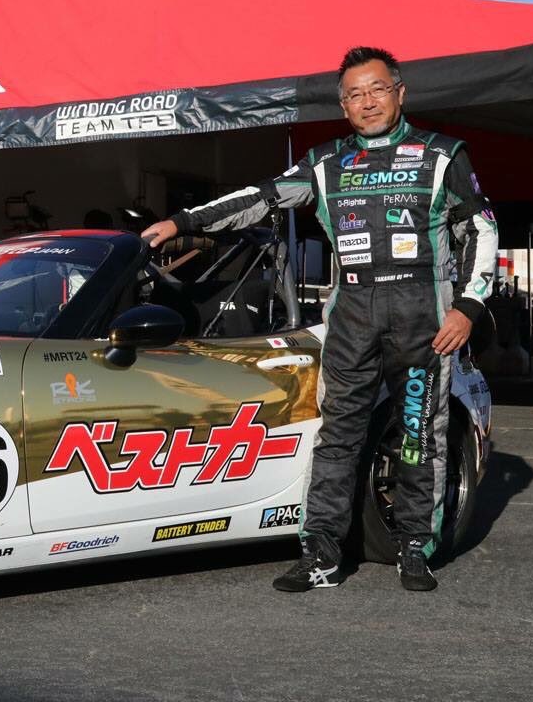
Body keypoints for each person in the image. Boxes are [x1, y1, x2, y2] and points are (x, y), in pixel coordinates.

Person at [143, 46, 498, 592]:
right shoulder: (327, 162)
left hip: (423, 318)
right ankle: (321, 555)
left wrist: (468, 306)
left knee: (418, 435)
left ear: (400, 93)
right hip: (352, 317)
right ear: (343, 104)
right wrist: (183, 221)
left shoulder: (442, 154)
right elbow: (261, 198)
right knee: (337, 437)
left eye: (377, 89)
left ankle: (413, 547)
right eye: (354, 94)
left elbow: (483, 229)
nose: (367, 101)